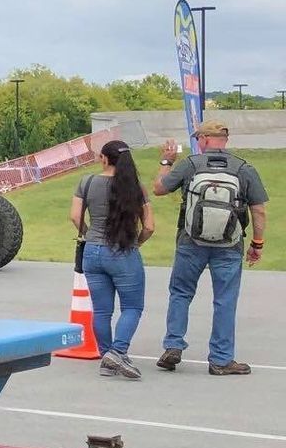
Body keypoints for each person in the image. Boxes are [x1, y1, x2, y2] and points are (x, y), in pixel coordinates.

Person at [151, 119, 268, 375]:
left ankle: (173, 345)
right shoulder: (243, 168)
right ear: (225, 140)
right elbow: (258, 211)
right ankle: (221, 359)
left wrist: (166, 161)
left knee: (181, 293)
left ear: (204, 140)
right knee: (225, 300)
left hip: (190, 242)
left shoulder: (190, 165)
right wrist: (257, 244)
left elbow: (159, 189)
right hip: (229, 245)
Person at [70, 139, 156, 378]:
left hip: (92, 251)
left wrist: (89, 234)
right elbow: (149, 226)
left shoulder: (86, 182)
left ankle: (106, 355)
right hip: (123, 250)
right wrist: (137, 242)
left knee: (101, 310)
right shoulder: (136, 188)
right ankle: (118, 351)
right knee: (132, 306)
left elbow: (75, 217)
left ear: (104, 159)